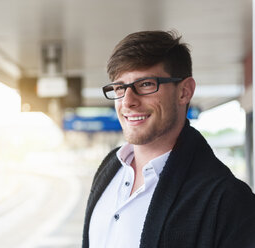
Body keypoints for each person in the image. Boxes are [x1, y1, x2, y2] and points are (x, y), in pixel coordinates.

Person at [82, 30, 255, 248]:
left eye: (145, 84)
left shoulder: (226, 199)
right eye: (119, 87)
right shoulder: (110, 167)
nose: (127, 102)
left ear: (184, 91)